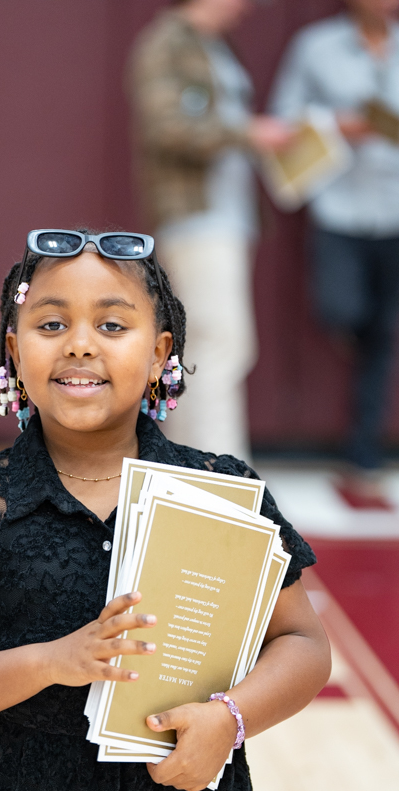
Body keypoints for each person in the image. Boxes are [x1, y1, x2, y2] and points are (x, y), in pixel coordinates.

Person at [0, 229, 330, 791]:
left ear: (158, 352)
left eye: (113, 326)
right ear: (14, 349)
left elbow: (303, 644)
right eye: (52, 324)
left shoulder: (221, 490)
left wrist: (230, 719)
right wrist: (51, 661)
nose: (81, 345)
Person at [128, 0, 294, 460]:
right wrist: (248, 133)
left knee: (211, 346)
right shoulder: (166, 45)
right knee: (217, 346)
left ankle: (195, 469)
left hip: (226, 217)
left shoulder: (212, 44)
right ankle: (218, 478)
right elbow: (168, 128)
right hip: (197, 217)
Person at [270, 0, 399, 507]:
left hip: (395, 213)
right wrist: (333, 124)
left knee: (384, 337)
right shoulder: (316, 46)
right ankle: (356, 330)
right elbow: (283, 115)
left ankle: (363, 452)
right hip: (339, 207)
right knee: (342, 309)